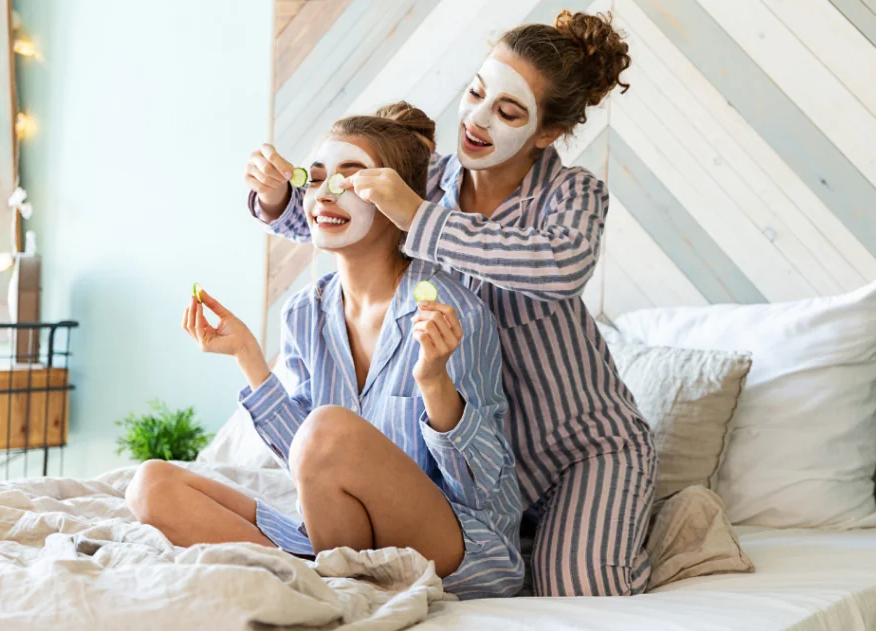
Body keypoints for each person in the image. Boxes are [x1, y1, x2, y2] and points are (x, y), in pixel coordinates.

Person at [244, 11, 656, 597]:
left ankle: (628, 525)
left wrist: (417, 216)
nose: (478, 119)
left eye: (508, 112)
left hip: (577, 451)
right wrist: (278, 194)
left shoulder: (572, 194)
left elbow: (561, 267)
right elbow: (338, 214)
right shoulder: (428, 178)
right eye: (476, 92)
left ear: (544, 133)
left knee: (575, 589)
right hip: (482, 459)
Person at [127, 104, 524, 600]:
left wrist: (435, 383)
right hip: (337, 542)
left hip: (454, 547)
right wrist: (249, 356)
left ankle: (326, 586)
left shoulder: (453, 313)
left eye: (349, 176)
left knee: (327, 429)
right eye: (314, 179)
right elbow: (308, 461)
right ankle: (319, 586)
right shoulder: (304, 315)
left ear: (397, 199)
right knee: (151, 485)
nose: (323, 193)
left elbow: (486, 487)